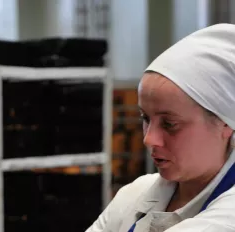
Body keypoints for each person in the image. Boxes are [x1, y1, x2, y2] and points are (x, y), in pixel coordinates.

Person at [86, 23, 235, 232]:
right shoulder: (136, 193)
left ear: (225, 123)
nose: (149, 139)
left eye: (170, 124)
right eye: (145, 118)